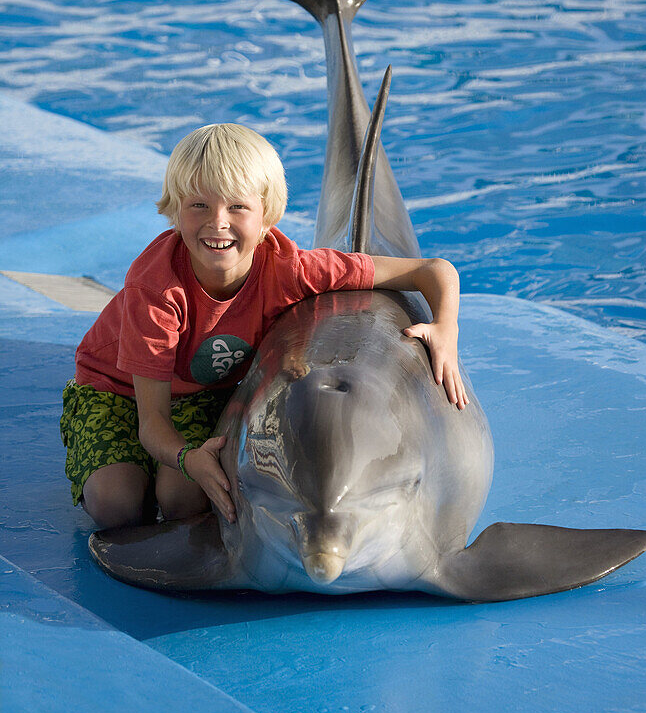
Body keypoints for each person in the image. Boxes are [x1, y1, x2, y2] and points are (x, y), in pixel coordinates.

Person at [60, 123, 468, 531]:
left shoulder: (290, 269)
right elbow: (152, 422)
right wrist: (186, 457)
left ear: (266, 215)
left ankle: (159, 473)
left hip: (201, 392)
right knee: (117, 508)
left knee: (182, 500)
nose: (218, 223)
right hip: (114, 391)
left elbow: (433, 270)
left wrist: (444, 330)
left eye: (237, 207)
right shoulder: (157, 289)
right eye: (198, 205)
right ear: (175, 210)